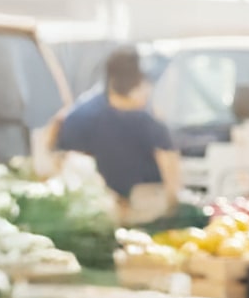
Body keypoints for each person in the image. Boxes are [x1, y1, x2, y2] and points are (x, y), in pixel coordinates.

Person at [55, 45, 180, 211]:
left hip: (107, 212)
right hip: (104, 212)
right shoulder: (84, 118)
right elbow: (172, 178)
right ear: (139, 84)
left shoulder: (80, 117)